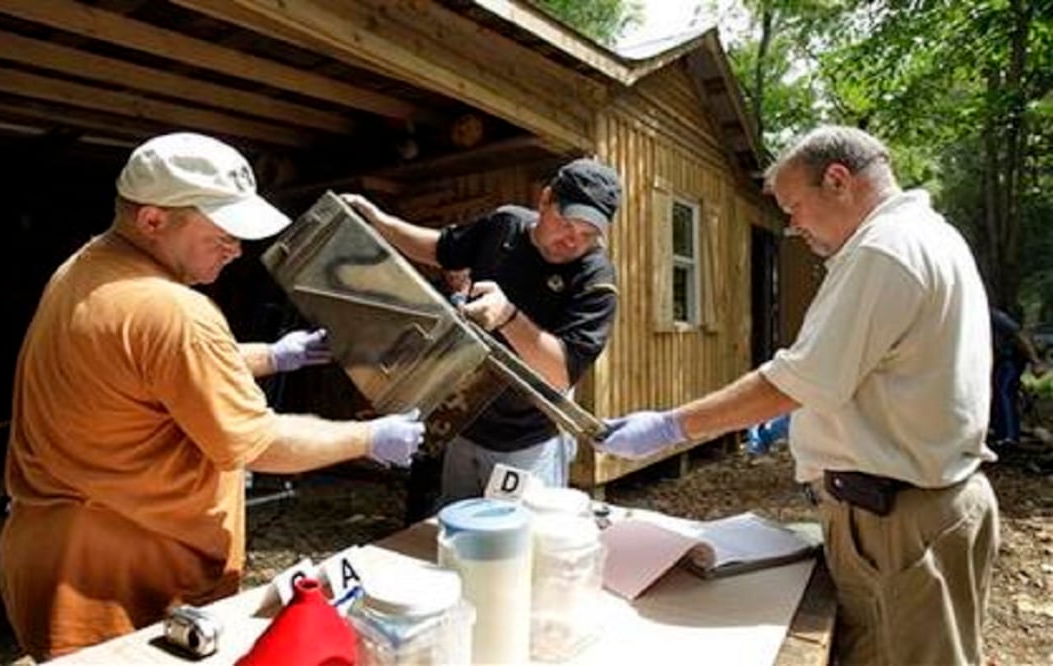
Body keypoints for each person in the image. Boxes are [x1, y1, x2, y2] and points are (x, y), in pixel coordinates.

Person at [0, 132, 425, 660]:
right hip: (119, 579)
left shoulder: (85, 272)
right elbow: (256, 443)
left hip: (55, 553)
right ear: (153, 220)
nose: (235, 249)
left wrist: (274, 355)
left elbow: (154, 368)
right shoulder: (174, 310)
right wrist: (368, 437)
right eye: (222, 231)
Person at [597, 126, 1000, 665]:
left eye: (794, 206)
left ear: (838, 180)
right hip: (926, 504)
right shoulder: (929, 235)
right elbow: (877, 372)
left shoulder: (883, 250)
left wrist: (673, 426)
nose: (791, 226)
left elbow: (792, 381)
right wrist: (814, 418)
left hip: (897, 522)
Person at [342, 157, 621, 509]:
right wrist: (379, 222)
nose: (572, 241)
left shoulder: (595, 280)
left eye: (588, 235)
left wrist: (508, 317)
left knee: (521, 545)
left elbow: (561, 373)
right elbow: (440, 248)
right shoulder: (504, 225)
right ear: (546, 199)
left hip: (527, 440)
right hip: (466, 421)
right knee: (459, 532)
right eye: (566, 224)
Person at [989, 305, 1047, 447]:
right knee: (996, 392)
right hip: (998, 360)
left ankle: (1008, 436)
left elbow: (1019, 335)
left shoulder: (994, 316)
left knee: (1004, 391)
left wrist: (1035, 362)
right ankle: (1000, 431)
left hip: (1011, 358)